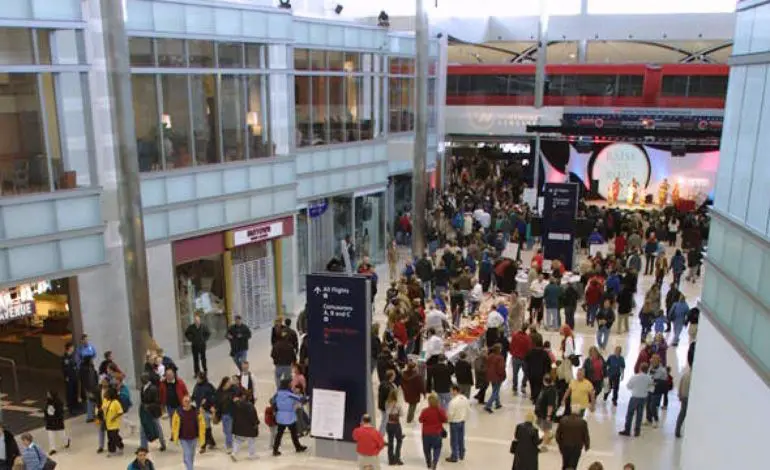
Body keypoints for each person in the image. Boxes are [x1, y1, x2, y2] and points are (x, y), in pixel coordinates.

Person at [272, 379, 308, 456]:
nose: (291, 385)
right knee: (293, 433)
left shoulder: (277, 394)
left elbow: (271, 401)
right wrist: (307, 398)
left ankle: (275, 450)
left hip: (280, 417)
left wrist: (277, 408)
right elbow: (301, 399)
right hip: (290, 417)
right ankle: (298, 447)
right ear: (287, 385)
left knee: (279, 434)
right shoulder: (290, 394)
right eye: (290, 384)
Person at [619, 362, 654, 437]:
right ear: (647, 370)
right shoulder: (649, 378)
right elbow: (651, 388)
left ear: (640, 368)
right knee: (639, 415)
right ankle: (637, 431)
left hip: (634, 397)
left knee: (630, 414)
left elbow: (628, 386)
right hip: (643, 398)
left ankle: (627, 430)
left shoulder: (635, 377)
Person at [171, 395, 205, 469]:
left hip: (194, 437)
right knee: (188, 453)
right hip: (183, 438)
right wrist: (174, 435)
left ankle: (188, 463)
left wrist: (202, 434)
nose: (187, 403)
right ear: (182, 402)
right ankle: (190, 468)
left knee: (191, 454)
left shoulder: (196, 412)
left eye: (189, 401)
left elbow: (202, 424)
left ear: (191, 402)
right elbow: (174, 425)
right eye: (185, 401)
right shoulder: (178, 412)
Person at [419, 393, 447, 470]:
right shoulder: (441, 411)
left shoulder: (425, 411)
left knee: (426, 449)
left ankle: (428, 463)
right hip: (437, 433)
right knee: (437, 448)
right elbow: (445, 419)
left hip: (426, 434)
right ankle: (434, 462)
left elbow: (420, 420)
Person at [139, 373, 166, 452]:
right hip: (145, 412)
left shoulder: (153, 388)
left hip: (153, 412)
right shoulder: (142, 388)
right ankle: (144, 447)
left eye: (143, 378)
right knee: (143, 429)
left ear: (147, 379)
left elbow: (157, 401)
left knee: (157, 428)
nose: (141, 380)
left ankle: (162, 443)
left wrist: (149, 406)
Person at [191, 372, 216, 451]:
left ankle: (203, 446)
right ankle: (211, 442)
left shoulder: (209, 386)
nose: (197, 379)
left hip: (206, 410)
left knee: (204, 428)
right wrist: (190, 399)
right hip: (199, 409)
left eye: (198, 378)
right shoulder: (196, 386)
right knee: (205, 427)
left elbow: (214, 397)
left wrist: (207, 402)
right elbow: (194, 395)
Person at [231, 391, 259, 461]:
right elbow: (253, 416)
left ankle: (234, 453)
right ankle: (251, 455)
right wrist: (256, 423)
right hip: (249, 427)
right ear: (249, 397)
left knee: (238, 440)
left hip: (239, 426)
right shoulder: (250, 405)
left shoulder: (236, 404)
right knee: (251, 440)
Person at [524, 337, 552, 406]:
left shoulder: (530, 352)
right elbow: (549, 363)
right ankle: (537, 399)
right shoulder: (544, 353)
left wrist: (526, 371)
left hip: (531, 373)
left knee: (532, 385)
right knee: (539, 386)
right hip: (541, 373)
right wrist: (548, 372)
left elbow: (525, 361)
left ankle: (533, 397)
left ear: (535, 344)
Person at [446, 385, 469, 463]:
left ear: (455, 391)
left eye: (451, 390)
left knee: (454, 440)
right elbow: (468, 409)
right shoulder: (465, 399)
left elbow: (450, 414)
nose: (450, 392)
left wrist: (449, 420)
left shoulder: (453, 402)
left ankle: (454, 456)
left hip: (454, 423)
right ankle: (462, 454)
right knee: (461, 438)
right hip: (462, 421)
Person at [43, 390, 69, 455]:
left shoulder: (59, 402)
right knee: (51, 436)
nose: (48, 396)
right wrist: (46, 418)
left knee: (62, 434)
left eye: (49, 394)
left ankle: (66, 441)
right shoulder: (48, 402)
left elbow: (60, 413)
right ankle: (52, 448)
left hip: (57, 421)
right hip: (50, 422)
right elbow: (45, 410)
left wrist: (56, 418)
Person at [535, 376, 558, 451]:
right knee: (541, 426)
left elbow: (550, 405)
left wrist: (548, 416)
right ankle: (549, 435)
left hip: (546, 414)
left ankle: (544, 445)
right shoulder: (545, 388)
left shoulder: (551, 391)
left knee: (546, 429)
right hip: (541, 413)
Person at [102, 386, 125, 457]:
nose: (106, 394)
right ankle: (111, 451)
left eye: (107, 393)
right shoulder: (106, 401)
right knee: (110, 438)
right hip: (108, 423)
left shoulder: (116, 402)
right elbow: (103, 409)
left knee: (114, 437)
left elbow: (120, 412)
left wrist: (114, 417)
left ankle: (120, 446)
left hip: (114, 424)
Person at [215, 377, 236, 452]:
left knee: (229, 431)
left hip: (230, 413)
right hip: (223, 414)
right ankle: (230, 444)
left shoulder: (232, 390)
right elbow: (217, 402)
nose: (230, 383)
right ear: (225, 383)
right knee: (225, 431)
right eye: (229, 382)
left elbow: (238, 392)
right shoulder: (219, 392)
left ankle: (229, 446)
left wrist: (234, 385)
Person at [484, 344, 506, 413]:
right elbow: (501, 369)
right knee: (495, 392)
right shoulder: (500, 358)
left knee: (495, 390)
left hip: (490, 376)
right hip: (497, 377)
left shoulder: (490, 356)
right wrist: (503, 375)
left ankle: (498, 403)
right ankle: (488, 405)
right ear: (499, 349)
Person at [384, 390, 404, 465]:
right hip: (396, 425)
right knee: (399, 440)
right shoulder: (398, 404)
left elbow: (387, 412)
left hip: (389, 424)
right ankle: (397, 458)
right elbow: (401, 414)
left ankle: (391, 460)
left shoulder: (386, 403)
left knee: (390, 442)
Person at [378, 370, 398, 435]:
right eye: (394, 375)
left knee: (385, 421)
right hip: (385, 407)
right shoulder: (388, 387)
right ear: (391, 377)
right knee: (384, 422)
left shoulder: (383, 383)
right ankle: (380, 437)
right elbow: (388, 397)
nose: (395, 377)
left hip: (383, 406)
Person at [61, 342, 79, 414]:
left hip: (74, 376)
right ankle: (71, 408)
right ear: (69, 348)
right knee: (70, 393)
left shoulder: (72, 356)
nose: (73, 349)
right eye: (72, 347)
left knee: (75, 391)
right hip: (69, 378)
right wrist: (66, 377)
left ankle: (75, 405)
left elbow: (74, 366)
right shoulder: (65, 357)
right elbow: (65, 369)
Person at [675, 366, 691, 438]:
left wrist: (679, 395)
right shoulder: (693, 376)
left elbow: (680, 385)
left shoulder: (685, 375)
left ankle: (677, 430)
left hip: (684, 396)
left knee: (682, 414)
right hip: (688, 397)